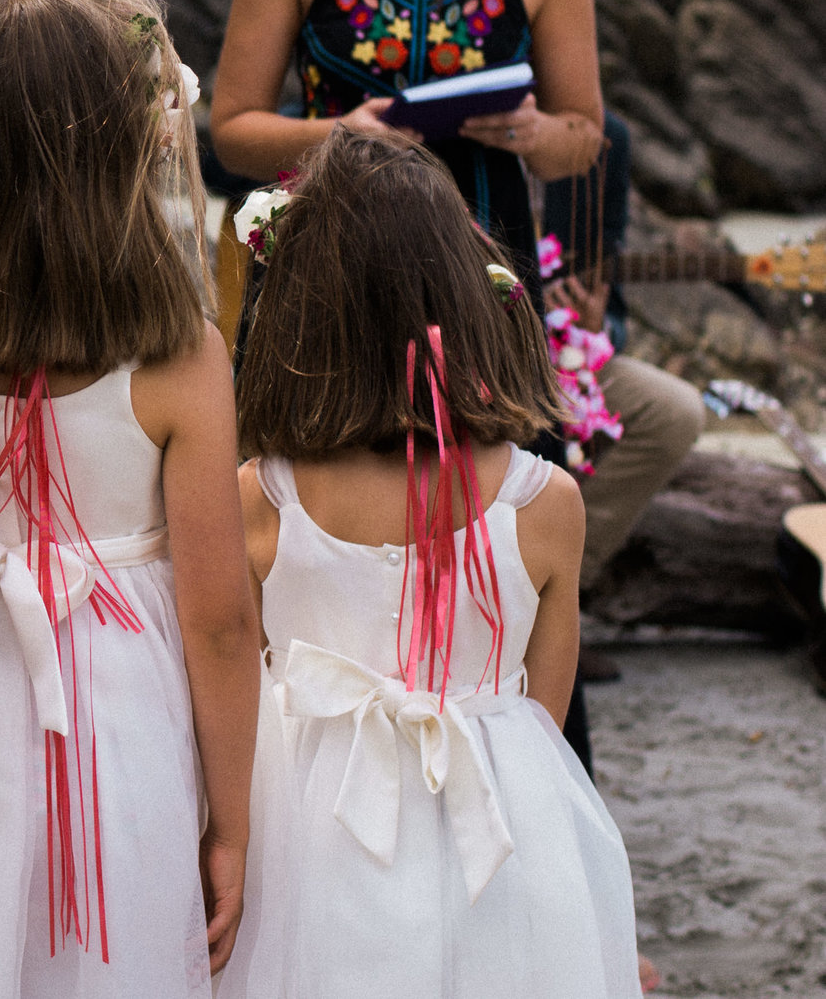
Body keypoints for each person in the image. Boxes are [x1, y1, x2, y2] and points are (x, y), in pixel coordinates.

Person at [211, 0, 608, 762]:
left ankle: (548, 842)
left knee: (514, 551)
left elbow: (585, 129)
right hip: (324, 286)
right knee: (303, 547)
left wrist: (534, 132)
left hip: (487, 286)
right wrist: (339, 134)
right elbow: (230, 124)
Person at [0, 0, 259, 997]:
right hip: (118, 700)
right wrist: (233, 818)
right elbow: (218, 616)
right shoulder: (177, 346)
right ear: (130, 137)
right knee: (102, 938)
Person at [217, 130, 640, 998]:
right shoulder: (544, 502)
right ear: (468, 289)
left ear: (300, 307)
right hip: (501, 828)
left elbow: (229, 675)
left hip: (308, 832)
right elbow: (540, 713)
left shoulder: (262, 498)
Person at [538, 113, 706, 673]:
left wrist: (594, 324)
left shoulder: (601, 141)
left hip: (559, 356)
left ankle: (555, 595)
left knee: (674, 412)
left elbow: (610, 300)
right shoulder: (442, 124)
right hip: (454, 354)